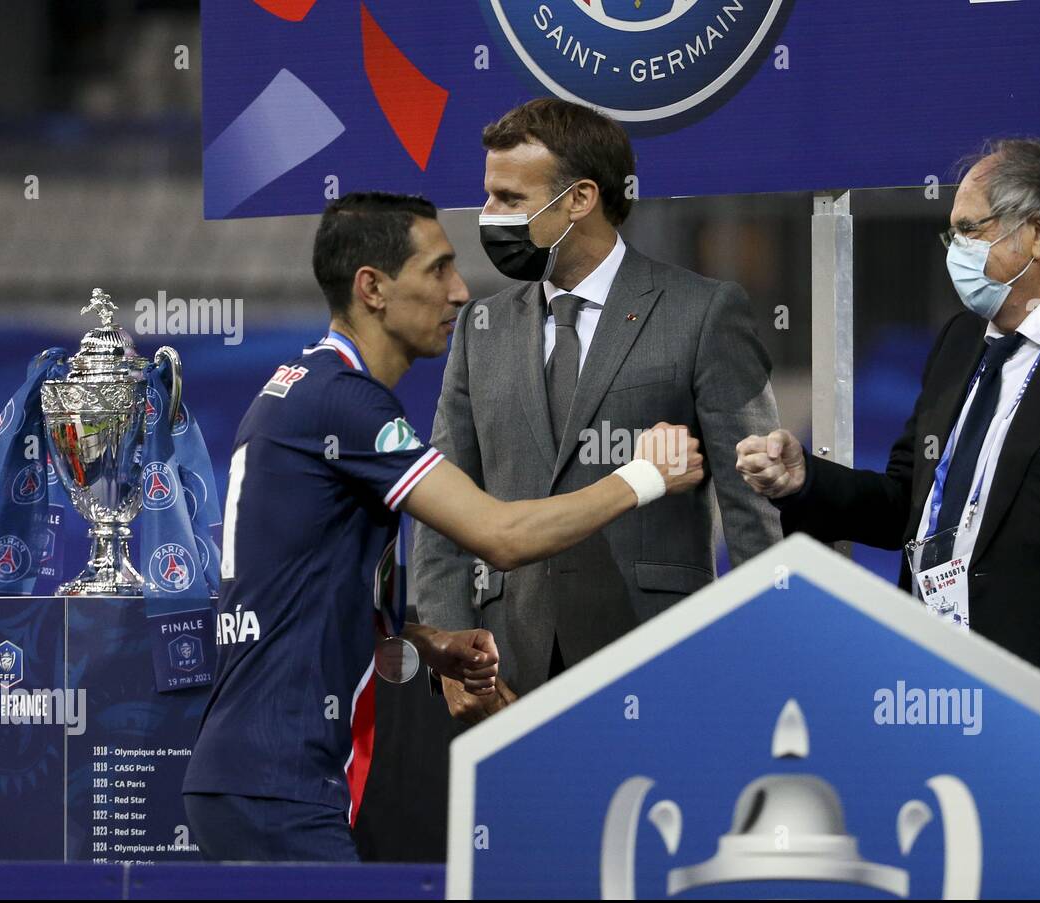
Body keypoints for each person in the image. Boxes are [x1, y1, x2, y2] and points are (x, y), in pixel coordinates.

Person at [181, 192, 702, 861]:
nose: (459, 292)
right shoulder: (346, 403)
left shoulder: (304, 387)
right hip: (277, 782)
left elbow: (313, 595)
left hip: (255, 774)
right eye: (437, 270)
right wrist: (643, 478)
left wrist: (426, 644)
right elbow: (501, 535)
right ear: (372, 287)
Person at [736, 139, 1040, 833]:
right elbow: (910, 504)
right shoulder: (959, 342)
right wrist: (806, 482)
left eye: (969, 229)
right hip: (930, 699)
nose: (951, 247)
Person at [412, 98, 782, 723]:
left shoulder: (703, 311)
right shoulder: (481, 327)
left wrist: (757, 658)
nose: (488, 217)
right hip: (507, 668)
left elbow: (754, 508)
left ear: (580, 199)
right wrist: (448, 646)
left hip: (661, 659)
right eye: (488, 197)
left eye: (509, 198)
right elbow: (441, 505)